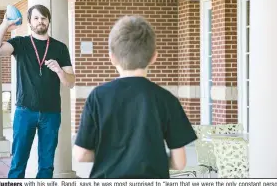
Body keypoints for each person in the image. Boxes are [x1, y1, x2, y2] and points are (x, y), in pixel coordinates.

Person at [72, 15, 197, 178]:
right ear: (154, 57)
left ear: (112, 57)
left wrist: (113, 157)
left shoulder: (98, 97)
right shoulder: (167, 99)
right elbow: (179, 162)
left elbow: (80, 154)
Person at [0, 4, 75, 178]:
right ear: (29, 22)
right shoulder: (21, 43)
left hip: (51, 114)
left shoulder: (60, 47)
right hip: (24, 112)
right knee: (18, 163)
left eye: (43, 18)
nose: (40, 21)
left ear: (49, 21)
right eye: (36, 18)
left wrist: (59, 70)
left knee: (47, 165)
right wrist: (5, 24)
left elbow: (70, 82)